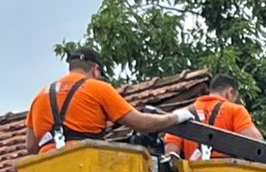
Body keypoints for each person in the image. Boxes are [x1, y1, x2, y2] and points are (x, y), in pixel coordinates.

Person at [25, 47, 199, 155]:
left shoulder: (40, 96)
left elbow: (31, 147)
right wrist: (176, 117)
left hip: (47, 168)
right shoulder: (97, 88)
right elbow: (142, 123)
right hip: (83, 161)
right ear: (96, 70)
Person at [163, 74, 262, 161]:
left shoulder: (184, 113)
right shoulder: (235, 110)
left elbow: (171, 149)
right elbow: (256, 144)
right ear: (230, 92)